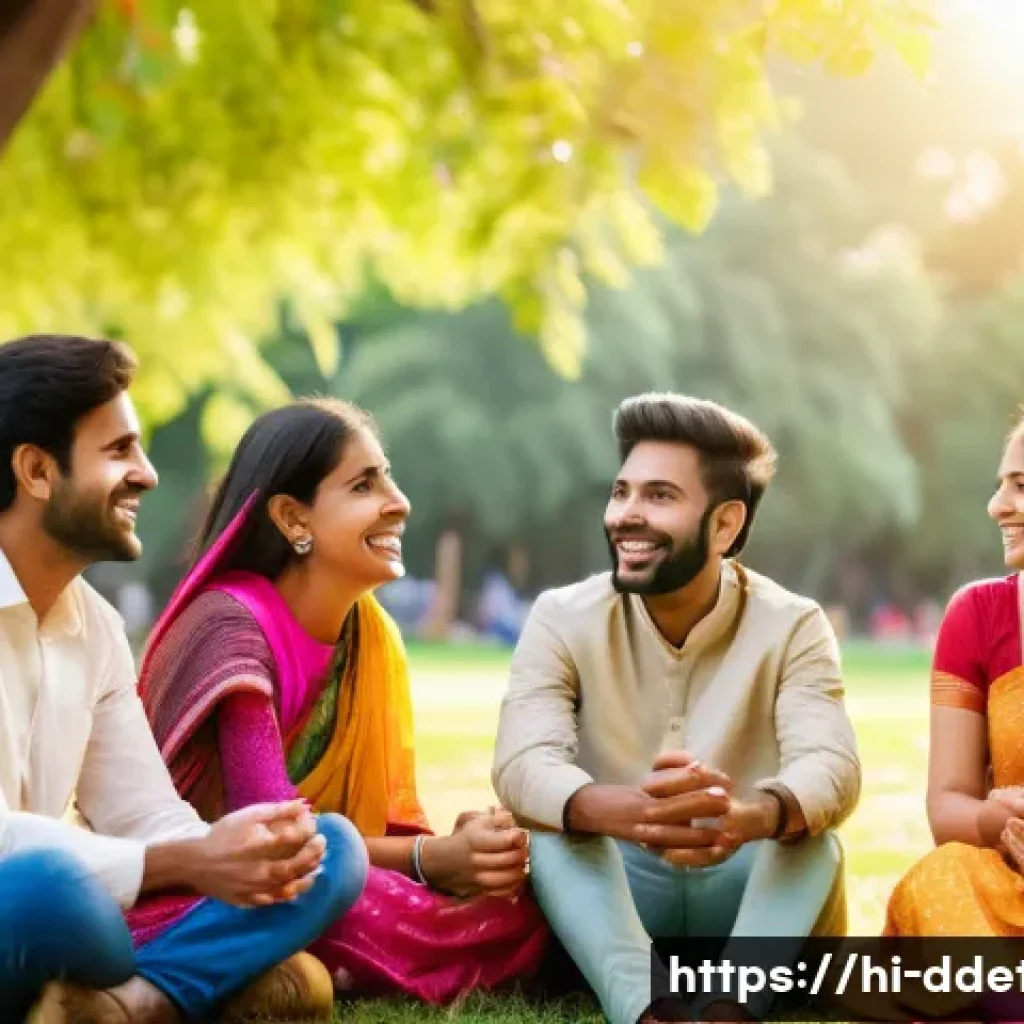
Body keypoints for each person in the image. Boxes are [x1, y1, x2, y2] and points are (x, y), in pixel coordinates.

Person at [129, 398, 549, 1005]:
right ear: (293, 519)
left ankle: (277, 973)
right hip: (200, 893)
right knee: (394, 906)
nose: (398, 502)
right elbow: (278, 844)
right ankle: (244, 966)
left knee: (513, 902)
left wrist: (463, 848)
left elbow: (387, 825)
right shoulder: (231, 626)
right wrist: (433, 860)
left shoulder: (369, 636)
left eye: (388, 476)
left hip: (323, 879)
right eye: (363, 485)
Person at [0, 335, 369, 1023]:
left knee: (330, 848)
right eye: (119, 451)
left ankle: (131, 1004)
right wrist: (185, 862)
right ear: (36, 470)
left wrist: (245, 848)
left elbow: (143, 813)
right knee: (47, 895)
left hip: (78, 910)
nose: (147, 474)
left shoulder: (97, 627)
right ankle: (196, 982)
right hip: (24, 903)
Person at [492, 393, 861, 1024]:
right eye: (621, 493)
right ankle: (647, 1010)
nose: (626, 516)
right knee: (553, 834)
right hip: (622, 895)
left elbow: (832, 764)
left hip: (747, 896)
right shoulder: (562, 616)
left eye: (659, 496)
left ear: (724, 525)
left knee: (810, 840)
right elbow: (522, 762)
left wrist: (749, 817)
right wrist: (627, 813)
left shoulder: (793, 624)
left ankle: (731, 1011)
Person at [886, 412, 1024, 940]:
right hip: (1005, 897)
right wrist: (1000, 821)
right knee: (938, 880)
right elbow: (947, 805)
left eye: (1020, 486)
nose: (997, 507)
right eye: (1000, 486)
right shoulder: (978, 613)